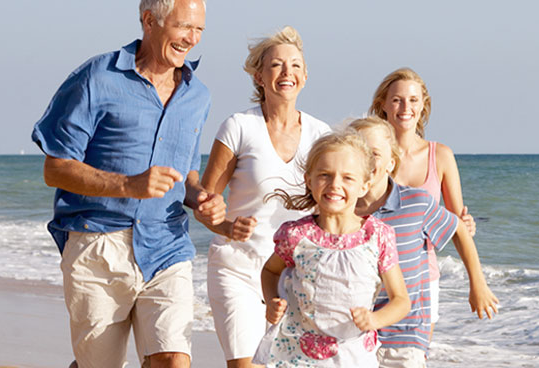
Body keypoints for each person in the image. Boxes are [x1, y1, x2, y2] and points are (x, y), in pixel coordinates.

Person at [31, 0, 215, 368]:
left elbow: (188, 171)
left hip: (168, 245)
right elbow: (55, 168)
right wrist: (128, 185)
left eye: (199, 29)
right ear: (149, 20)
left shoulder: (197, 95)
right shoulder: (97, 77)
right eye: (184, 26)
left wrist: (200, 196)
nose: (192, 39)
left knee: (173, 359)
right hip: (98, 244)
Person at [194, 26, 333, 368]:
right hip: (237, 267)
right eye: (276, 65)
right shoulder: (238, 127)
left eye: (296, 65)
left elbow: (338, 202)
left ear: (305, 76)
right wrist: (227, 226)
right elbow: (203, 203)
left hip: (295, 276)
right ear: (259, 76)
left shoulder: (321, 135)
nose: (287, 73)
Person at [367, 69, 499, 352]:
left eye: (413, 100)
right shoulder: (368, 153)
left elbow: (458, 225)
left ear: (423, 105)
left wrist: (477, 283)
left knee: (414, 355)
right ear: (383, 104)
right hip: (367, 274)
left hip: (421, 278)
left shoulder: (440, 156)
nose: (406, 108)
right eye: (397, 100)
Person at [253, 132, 411, 367]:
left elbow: (401, 300)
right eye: (325, 175)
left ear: (364, 186)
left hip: (355, 356)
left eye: (348, 178)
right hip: (300, 357)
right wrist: (272, 301)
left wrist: (375, 319)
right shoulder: (296, 235)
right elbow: (270, 271)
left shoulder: (377, 236)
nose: (335, 184)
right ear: (309, 180)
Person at [347, 117, 478, 367]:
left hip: (404, 336)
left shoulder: (416, 202)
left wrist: (477, 284)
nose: (366, 160)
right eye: (357, 152)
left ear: (391, 163)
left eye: (374, 153)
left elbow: (459, 229)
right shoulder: (341, 209)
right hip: (353, 334)